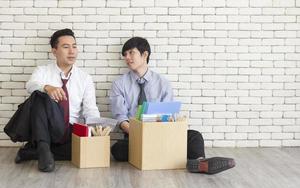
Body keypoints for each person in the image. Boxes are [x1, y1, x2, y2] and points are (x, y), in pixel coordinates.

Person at [110, 37, 235, 174]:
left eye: (131, 53)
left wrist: (161, 131)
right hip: (136, 135)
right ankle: (166, 153)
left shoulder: (163, 83)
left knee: (195, 136)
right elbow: (121, 118)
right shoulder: (119, 84)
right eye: (125, 54)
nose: (127, 57)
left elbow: (170, 115)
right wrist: (139, 131)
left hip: (162, 133)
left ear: (144, 54)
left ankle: (200, 163)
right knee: (118, 149)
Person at [9, 29, 100, 172]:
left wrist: (97, 130)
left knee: (82, 151)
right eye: (66, 47)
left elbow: (90, 109)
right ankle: (44, 150)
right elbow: (30, 85)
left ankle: (34, 151)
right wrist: (47, 88)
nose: (72, 51)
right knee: (39, 96)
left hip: (69, 128)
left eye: (74, 46)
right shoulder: (42, 71)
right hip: (45, 125)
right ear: (54, 51)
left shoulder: (85, 78)